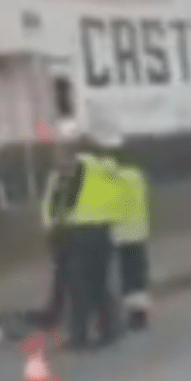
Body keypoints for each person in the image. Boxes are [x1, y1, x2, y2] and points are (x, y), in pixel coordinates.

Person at [52, 127, 125, 349]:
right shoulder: (109, 169)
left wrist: (58, 230)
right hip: (104, 233)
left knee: (78, 287)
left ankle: (79, 336)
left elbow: (67, 202)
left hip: (80, 234)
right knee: (99, 284)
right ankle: (111, 329)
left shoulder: (76, 169)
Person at [38, 119, 80, 331]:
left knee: (75, 272)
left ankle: (71, 311)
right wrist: (49, 226)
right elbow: (48, 202)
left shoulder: (81, 173)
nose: (62, 152)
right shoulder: (57, 175)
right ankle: (59, 309)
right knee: (62, 272)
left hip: (75, 230)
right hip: (60, 231)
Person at [108, 140, 152, 330]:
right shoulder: (137, 176)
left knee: (127, 277)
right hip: (139, 232)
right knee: (138, 277)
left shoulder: (115, 179)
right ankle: (140, 315)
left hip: (122, 235)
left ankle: (131, 317)